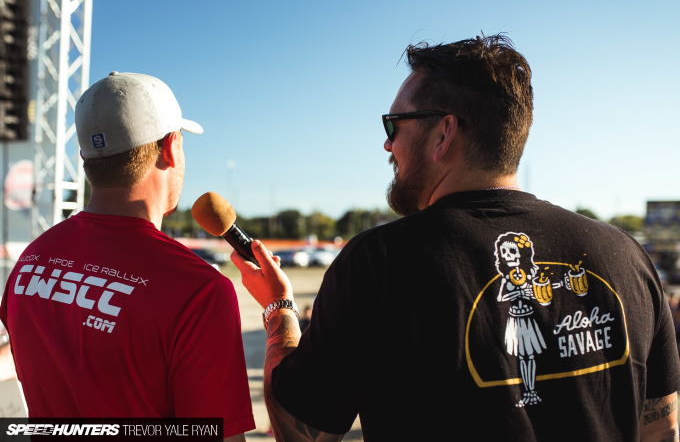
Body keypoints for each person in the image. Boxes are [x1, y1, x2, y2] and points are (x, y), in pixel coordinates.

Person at [231, 34, 680, 441]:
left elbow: (301, 431)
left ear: (443, 133)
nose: (387, 145)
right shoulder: (626, 256)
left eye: (393, 125)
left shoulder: (380, 261)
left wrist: (278, 307)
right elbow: (662, 429)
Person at [0, 72, 255, 440]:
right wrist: (279, 309)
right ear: (171, 147)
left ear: (86, 158)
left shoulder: (31, 261)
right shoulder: (198, 291)